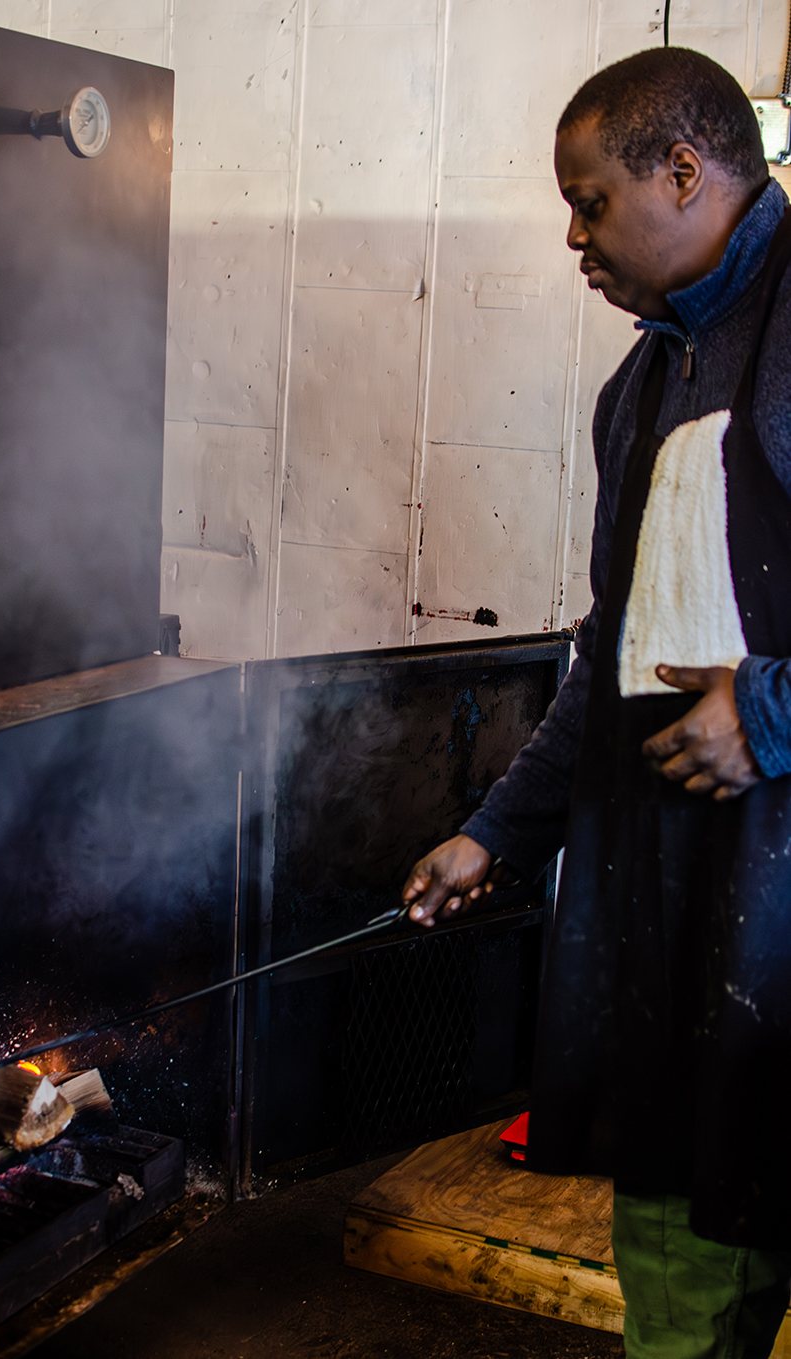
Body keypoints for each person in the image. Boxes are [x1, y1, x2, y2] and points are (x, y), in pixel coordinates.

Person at [402, 46, 791, 1359]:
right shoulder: (640, 390)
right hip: (677, 952)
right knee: (681, 1291)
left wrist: (773, 713)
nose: (573, 236)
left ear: (685, 169)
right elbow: (613, 667)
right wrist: (495, 832)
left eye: (590, 200)